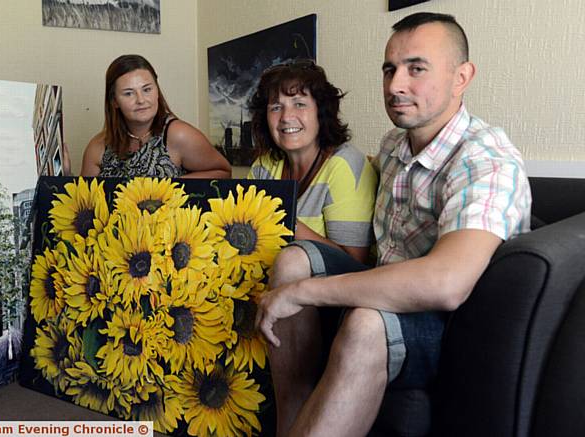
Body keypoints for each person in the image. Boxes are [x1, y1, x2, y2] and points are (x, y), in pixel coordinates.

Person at [255, 12, 532, 436]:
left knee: (366, 321)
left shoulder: (485, 158)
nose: (395, 85)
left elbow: (446, 283)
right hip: (384, 286)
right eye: (390, 69)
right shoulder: (393, 146)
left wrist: (305, 293)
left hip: (446, 323)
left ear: (462, 76)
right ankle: (289, 423)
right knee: (293, 260)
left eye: (416, 69)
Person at [247, 60, 377, 264]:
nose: (286, 117)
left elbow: (353, 263)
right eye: (275, 107)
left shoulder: (344, 165)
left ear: (321, 111)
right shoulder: (263, 166)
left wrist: (284, 220)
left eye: (299, 104)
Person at [80, 54, 231, 178]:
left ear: (157, 91)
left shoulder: (179, 135)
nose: (141, 100)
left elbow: (224, 173)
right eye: (128, 93)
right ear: (114, 101)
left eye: (146, 90)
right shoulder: (98, 147)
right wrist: (64, 175)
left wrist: (172, 187)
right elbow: (83, 198)